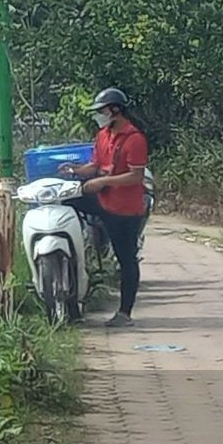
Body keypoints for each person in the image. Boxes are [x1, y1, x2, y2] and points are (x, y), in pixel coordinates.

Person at [60, 88, 152, 326]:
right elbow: (96, 164)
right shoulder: (103, 135)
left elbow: (134, 176)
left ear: (115, 110)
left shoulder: (134, 139)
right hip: (103, 201)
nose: (98, 116)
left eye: (101, 111)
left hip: (125, 208)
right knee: (65, 201)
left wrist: (102, 181)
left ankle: (124, 313)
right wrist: (76, 171)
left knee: (126, 259)